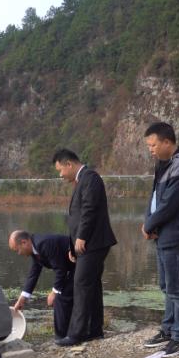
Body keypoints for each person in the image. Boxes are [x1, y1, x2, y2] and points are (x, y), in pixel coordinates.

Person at [139, 122, 179, 357]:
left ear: (167, 142)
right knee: (166, 285)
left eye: (153, 145)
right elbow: (156, 197)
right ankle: (168, 329)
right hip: (164, 232)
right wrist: (149, 222)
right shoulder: (164, 164)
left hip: (178, 233)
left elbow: (170, 203)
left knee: (177, 287)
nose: (151, 149)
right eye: (149, 146)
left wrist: (151, 223)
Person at [53, 148, 117, 346]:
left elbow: (89, 209)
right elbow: (78, 216)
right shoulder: (82, 181)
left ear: (69, 164)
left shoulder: (90, 178)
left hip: (94, 242)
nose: (60, 175)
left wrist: (82, 237)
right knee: (92, 286)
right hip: (88, 244)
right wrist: (73, 246)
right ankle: (95, 330)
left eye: (60, 170)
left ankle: (77, 333)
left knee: (80, 284)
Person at [8, 230, 75, 340]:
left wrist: (54, 292)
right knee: (64, 297)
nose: (19, 253)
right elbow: (34, 273)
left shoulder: (43, 244)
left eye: (17, 250)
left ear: (24, 242)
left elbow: (60, 269)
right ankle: (67, 334)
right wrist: (22, 298)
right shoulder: (35, 248)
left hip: (79, 262)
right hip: (70, 268)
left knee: (61, 298)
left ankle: (62, 337)